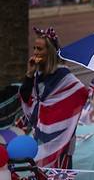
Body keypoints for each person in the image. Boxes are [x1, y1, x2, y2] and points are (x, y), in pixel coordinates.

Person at [19, 27, 89, 169]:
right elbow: (26, 97)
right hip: (41, 135)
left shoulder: (62, 75)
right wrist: (29, 74)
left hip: (61, 137)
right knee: (41, 174)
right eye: (35, 48)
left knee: (60, 176)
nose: (35, 52)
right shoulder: (38, 75)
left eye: (40, 49)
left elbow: (81, 92)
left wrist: (57, 112)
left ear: (49, 52)